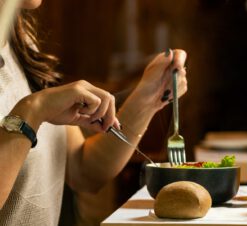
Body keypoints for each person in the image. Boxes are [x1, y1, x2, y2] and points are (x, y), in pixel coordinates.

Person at [0, 0, 188, 224]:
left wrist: (149, 98)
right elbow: (31, 112)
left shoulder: (19, 46)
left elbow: (83, 169)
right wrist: (31, 111)